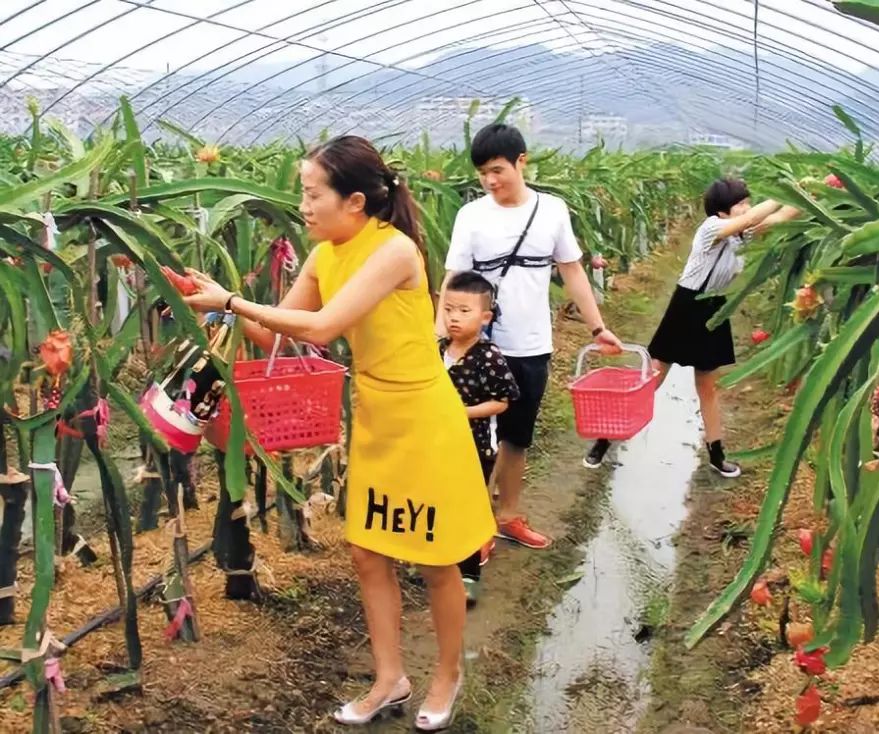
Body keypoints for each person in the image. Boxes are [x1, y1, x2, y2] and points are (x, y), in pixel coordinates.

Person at [182, 135, 492, 730]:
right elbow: (280, 338)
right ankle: (389, 678)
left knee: (434, 556)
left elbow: (323, 327)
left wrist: (237, 301)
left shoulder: (394, 251)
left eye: (312, 193)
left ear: (354, 201)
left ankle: (447, 673)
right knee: (368, 552)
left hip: (425, 421)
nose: (304, 205)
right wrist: (214, 307)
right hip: (375, 417)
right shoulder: (326, 254)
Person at [437, 123, 622, 551]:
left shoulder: (552, 210)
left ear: (522, 161)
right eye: (483, 172)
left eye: (498, 169)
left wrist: (598, 326)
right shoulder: (472, 216)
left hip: (532, 344)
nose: (491, 181)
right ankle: (472, 526)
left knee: (518, 437)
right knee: (474, 438)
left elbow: (572, 270)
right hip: (478, 348)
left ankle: (508, 516)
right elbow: (453, 281)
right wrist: (440, 340)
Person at [582, 177, 800, 475]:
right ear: (722, 211)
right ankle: (603, 441)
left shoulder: (742, 235)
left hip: (714, 307)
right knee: (652, 378)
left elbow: (778, 218)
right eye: (741, 203)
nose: (747, 208)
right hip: (687, 305)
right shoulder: (711, 228)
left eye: (748, 202)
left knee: (707, 387)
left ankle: (716, 454)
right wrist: (784, 191)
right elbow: (754, 217)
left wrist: (806, 194)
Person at [438, 271, 520, 606]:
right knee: (438, 500)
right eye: (449, 309)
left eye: (464, 311)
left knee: (467, 507)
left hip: (475, 444)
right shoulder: (438, 349)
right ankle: (437, 563)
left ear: (485, 317)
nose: (454, 318)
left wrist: (463, 413)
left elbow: (503, 400)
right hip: (438, 443)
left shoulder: (489, 356)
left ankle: (469, 573)